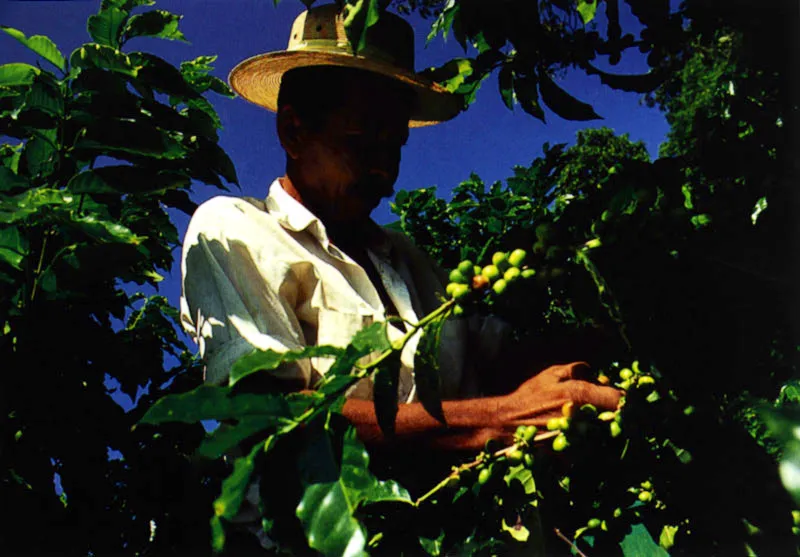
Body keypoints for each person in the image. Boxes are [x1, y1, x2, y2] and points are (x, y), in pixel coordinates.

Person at [180, 3, 620, 454]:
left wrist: (616, 326)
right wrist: (497, 420)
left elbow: (498, 361)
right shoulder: (235, 230)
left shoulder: (410, 262)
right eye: (363, 141)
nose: (384, 171)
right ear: (294, 131)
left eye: (395, 146)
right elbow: (267, 417)